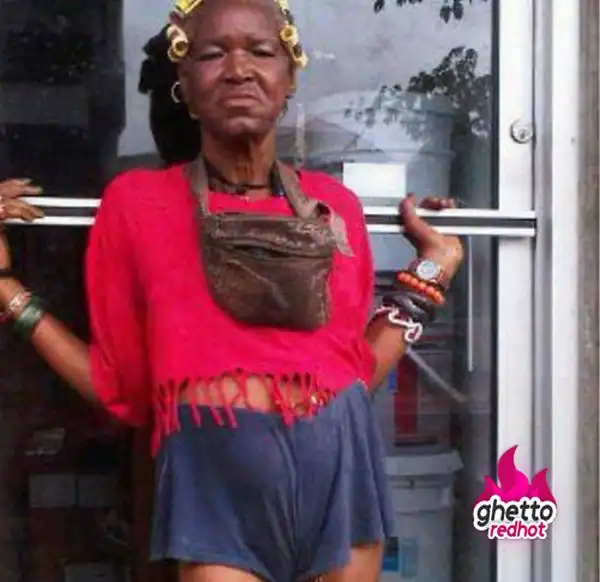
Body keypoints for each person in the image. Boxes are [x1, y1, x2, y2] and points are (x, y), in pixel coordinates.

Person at [0, 0, 464, 580]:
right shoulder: (137, 205)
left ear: (289, 80)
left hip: (340, 475)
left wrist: (433, 271)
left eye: (261, 52)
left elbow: (355, 367)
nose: (239, 69)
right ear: (185, 86)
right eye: (213, 54)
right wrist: (7, 290)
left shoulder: (334, 206)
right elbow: (121, 388)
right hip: (214, 490)